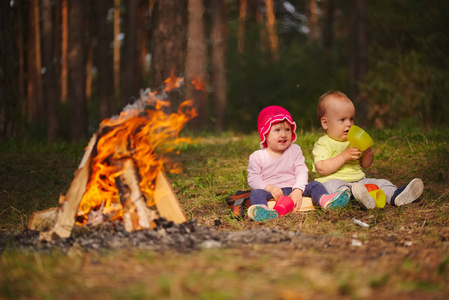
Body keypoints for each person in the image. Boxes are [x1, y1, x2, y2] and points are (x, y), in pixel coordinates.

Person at [312, 90, 424, 209]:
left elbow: (365, 164)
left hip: (359, 181)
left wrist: (367, 151)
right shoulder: (323, 143)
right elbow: (322, 168)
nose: (349, 124)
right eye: (342, 120)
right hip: (334, 182)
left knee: (381, 183)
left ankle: (395, 195)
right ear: (325, 123)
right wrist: (343, 156)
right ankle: (353, 198)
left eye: (351, 119)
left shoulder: (353, 141)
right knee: (337, 187)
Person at [246, 105, 351, 222]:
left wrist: (298, 190)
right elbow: (253, 179)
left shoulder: (294, 150)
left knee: (315, 185)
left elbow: (301, 170)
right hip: (271, 192)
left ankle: (325, 200)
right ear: (265, 134)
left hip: (293, 187)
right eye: (277, 130)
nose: (284, 134)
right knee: (256, 193)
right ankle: (262, 209)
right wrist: (269, 188)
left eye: (287, 129)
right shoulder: (257, 156)